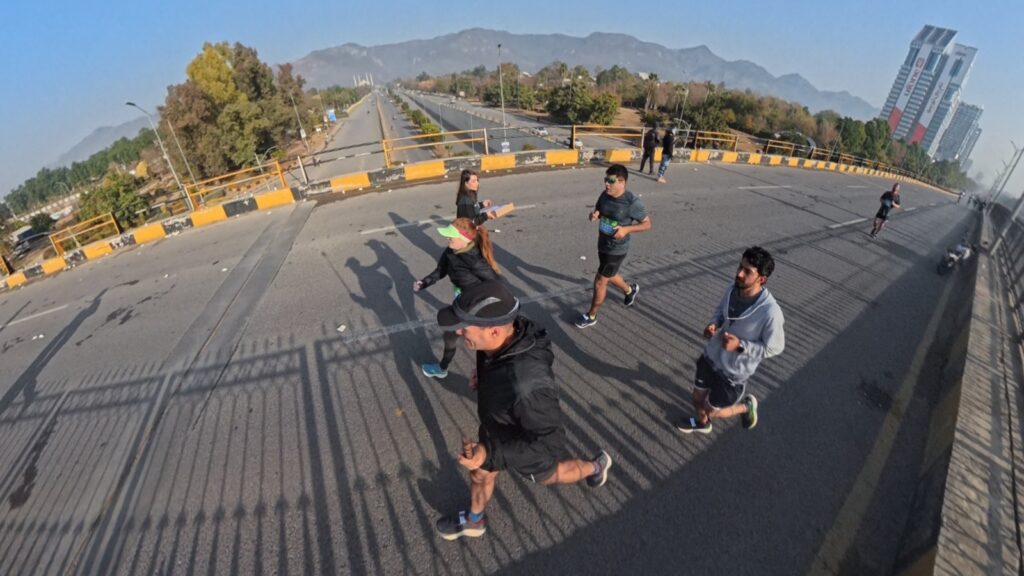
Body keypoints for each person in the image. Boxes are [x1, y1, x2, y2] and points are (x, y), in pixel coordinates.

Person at [434, 280, 613, 541]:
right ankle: (475, 520)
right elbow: (501, 361)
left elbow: (548, 443)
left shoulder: (528, 386)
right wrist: (485, 375)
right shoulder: (502, 338)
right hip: (498, 423)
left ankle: (595, 467)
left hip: (527, 442)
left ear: (494, 332)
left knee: (552, 474)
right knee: (480, 473)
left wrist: (490, 452)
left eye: (465, 328)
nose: (460, 333)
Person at [677, 247, 785, 434]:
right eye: (740, 267)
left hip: (733, 373)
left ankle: (746, 407)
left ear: (762, 279)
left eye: (747, 271)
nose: (739, 273)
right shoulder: (732, 289)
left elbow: (775, 347)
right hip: (712, 357)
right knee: (697, 398)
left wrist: (741, 346)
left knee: (712, 410)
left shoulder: (771, 312)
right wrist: (714, 324)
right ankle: (703, 424)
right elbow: (720, 311)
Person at [415, 218, 501, 379]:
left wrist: (491, 307)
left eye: (451, 236)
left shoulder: (474, 260)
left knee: (460, 336)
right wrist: (424, 282)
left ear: (464, 239)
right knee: (454, 335)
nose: (448, 239)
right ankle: (447, 367)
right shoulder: (451, 251)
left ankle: (447, 369)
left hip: (474, 304)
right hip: (461, 301)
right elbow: (441, 270)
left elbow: (495, 283)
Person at [575, 164, 652, 328]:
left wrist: (626, 229)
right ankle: (630, 290)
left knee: (600, 281)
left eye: (610, 181)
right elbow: (599, 209)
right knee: (610, 274)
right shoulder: (605, 195)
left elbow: (647, 224)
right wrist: (595, 214)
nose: (606, 184)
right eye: (605, 180)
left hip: (617, 249)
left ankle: (591, 316)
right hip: (603, 243)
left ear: (622, 182)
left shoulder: (632, 203)